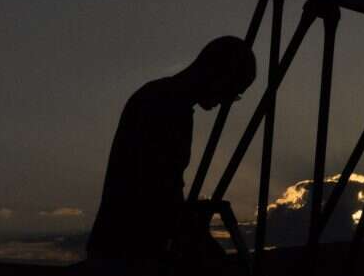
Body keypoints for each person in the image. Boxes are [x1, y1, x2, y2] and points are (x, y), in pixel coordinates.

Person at [86, 35, 257, 260]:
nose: (226, 101)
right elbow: (152, 189)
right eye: (232, 92)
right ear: (218, 74)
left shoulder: (164, 100)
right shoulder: (165, 106)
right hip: (127, 248)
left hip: (123, 242)